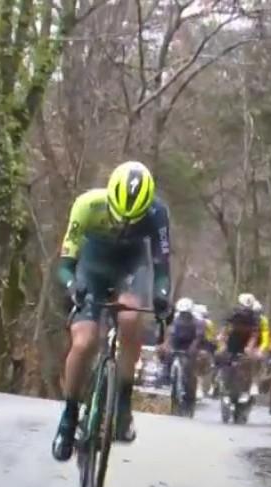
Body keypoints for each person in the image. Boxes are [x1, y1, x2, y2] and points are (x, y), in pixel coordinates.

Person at [52, 160, 171, 461]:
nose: (126, 226)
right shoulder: (87, 206)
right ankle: (68, 417)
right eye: (121, 219)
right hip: (91, 268)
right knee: (84, 342)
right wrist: (71, 287)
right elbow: (65, 266)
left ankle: (122, 403)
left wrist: (160, 297)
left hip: (131, 269)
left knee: (131, 317)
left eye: (134, 221)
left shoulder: (157, 214)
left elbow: (161, 269)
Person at [216, 293, 262, 402]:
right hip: (233, 340)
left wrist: (250, 347)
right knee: (220, 355)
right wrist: (222, 339)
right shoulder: (233, 313)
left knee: (250, 361)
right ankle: (220, 377)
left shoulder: (255, 317)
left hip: (247, 342)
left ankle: (247, 389)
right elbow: (225, 327)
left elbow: (255, 334)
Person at [163, 296, 204, 403]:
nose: (183, 315)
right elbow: (170, 333)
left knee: (190, 364)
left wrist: (193, 347)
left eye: (185, 313)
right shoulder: (174, 319)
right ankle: (166, 376)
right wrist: (167, 345)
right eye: (181, 313)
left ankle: (191, 385)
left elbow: (198, 336)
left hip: (190, 345)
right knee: (166, 356)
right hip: (176, 344)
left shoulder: (197, 321)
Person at [193, 303, 216, 399]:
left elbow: (211, 338)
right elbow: (211, 338)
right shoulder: (207, 323)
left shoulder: (207, 323)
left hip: (200, 348)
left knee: (200, 365)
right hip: (199, 347)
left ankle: (199, 388)